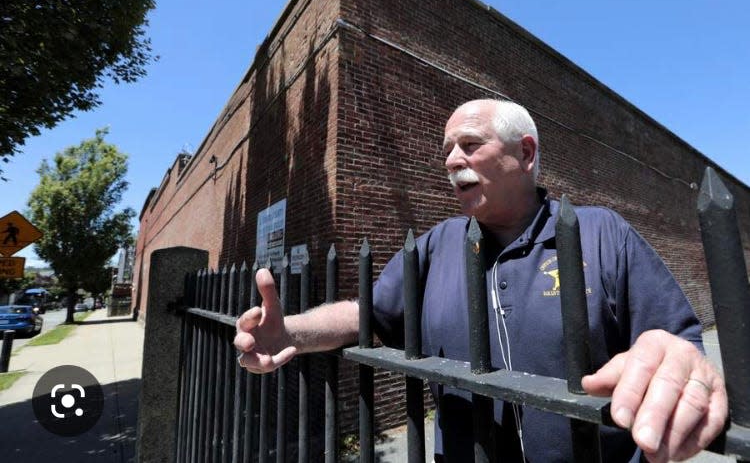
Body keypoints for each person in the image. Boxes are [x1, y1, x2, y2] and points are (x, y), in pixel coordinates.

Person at [235, 99, 727, 462]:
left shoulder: (600, 234)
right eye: (448, 149)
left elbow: (675, 341)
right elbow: (367, 313)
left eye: (470, 145)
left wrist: (682, 362)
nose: (451, 160)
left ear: (526, 153)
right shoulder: (434, 246)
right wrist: (291, 332)